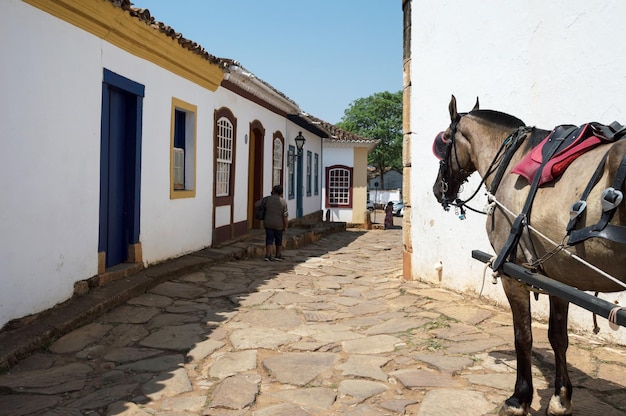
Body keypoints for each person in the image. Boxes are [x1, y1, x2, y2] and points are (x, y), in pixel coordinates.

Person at [259, 185, 288, 261]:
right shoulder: (283, 202)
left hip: (268, 222)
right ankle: (278, 255)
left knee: (269, 239)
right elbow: (285, 216)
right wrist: (286, 226)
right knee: (278, 240)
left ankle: (268, 255)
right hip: (279, 224)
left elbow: (257, 204)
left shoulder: (267, 199)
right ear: (281, 193)